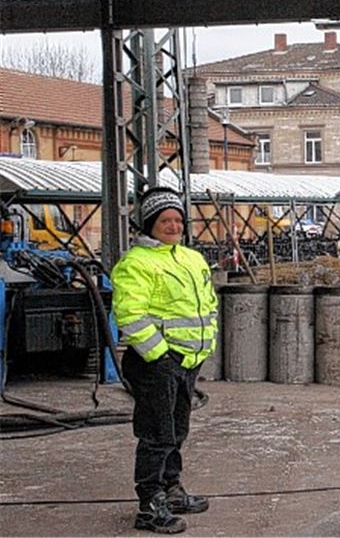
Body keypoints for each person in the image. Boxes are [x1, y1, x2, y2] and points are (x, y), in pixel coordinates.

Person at [112, 187, 217, 534]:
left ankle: (172, 488)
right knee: (157, 433)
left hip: (188, 360)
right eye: (164, 220)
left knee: (177, 429)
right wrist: (160, 355)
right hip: (157, 363)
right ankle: (150, 503)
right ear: (149, 224)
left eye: (177, 220)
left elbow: (208, 305)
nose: (172, 226)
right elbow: (130, 315)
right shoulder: (136, 263)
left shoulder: (191, 258)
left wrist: (205, 344)